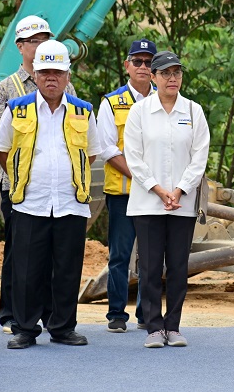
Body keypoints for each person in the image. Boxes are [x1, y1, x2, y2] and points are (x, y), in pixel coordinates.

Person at [0, 40, 101, 349]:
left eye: (57, 72)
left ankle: (63, 327)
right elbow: (2, 150)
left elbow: (91, 153)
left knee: (67, 269)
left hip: (70, 203)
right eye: (45, 72)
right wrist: (25, 175)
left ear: (68, 75)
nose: (51, 78)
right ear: (35, 75)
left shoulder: (83, 111)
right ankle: (25, 329)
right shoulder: (18, 109)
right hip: (30, 201)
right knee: (27, 269)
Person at [0, 15, 77, 335]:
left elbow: (74, 133)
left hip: (58, 188)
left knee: (54, 253)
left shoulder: (65, 83)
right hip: (18, 186)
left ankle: (52, 316)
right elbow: (2, 142)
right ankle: (12, 314)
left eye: (45, 39)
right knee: (19, 253)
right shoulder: (4, 89)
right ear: (21, 46)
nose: (41, 45)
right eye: (35, 41)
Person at [123, 51, 209, 348]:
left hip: (182, 204)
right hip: (148, 202)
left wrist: (181, 190)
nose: (172, 78)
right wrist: (159, 189)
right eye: (166, 73)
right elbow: (133, 157)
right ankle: (153, 328)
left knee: (177, 267)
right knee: (148, 267)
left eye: (177, 73)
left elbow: (200, 157)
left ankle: (173, 326)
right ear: (155, 77)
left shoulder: (193, 111)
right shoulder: (140, 112)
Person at [97, 38, 157, 333]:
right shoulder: (111, 102)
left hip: (156, 194)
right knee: (119, 254)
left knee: (150, 254)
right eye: (138, 61)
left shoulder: (168, 100)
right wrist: (142, 176)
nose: (144, 67)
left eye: (149, 62)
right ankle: (116, 314)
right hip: (123, 191)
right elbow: (107, 148)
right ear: (127, 66)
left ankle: (147, 314)